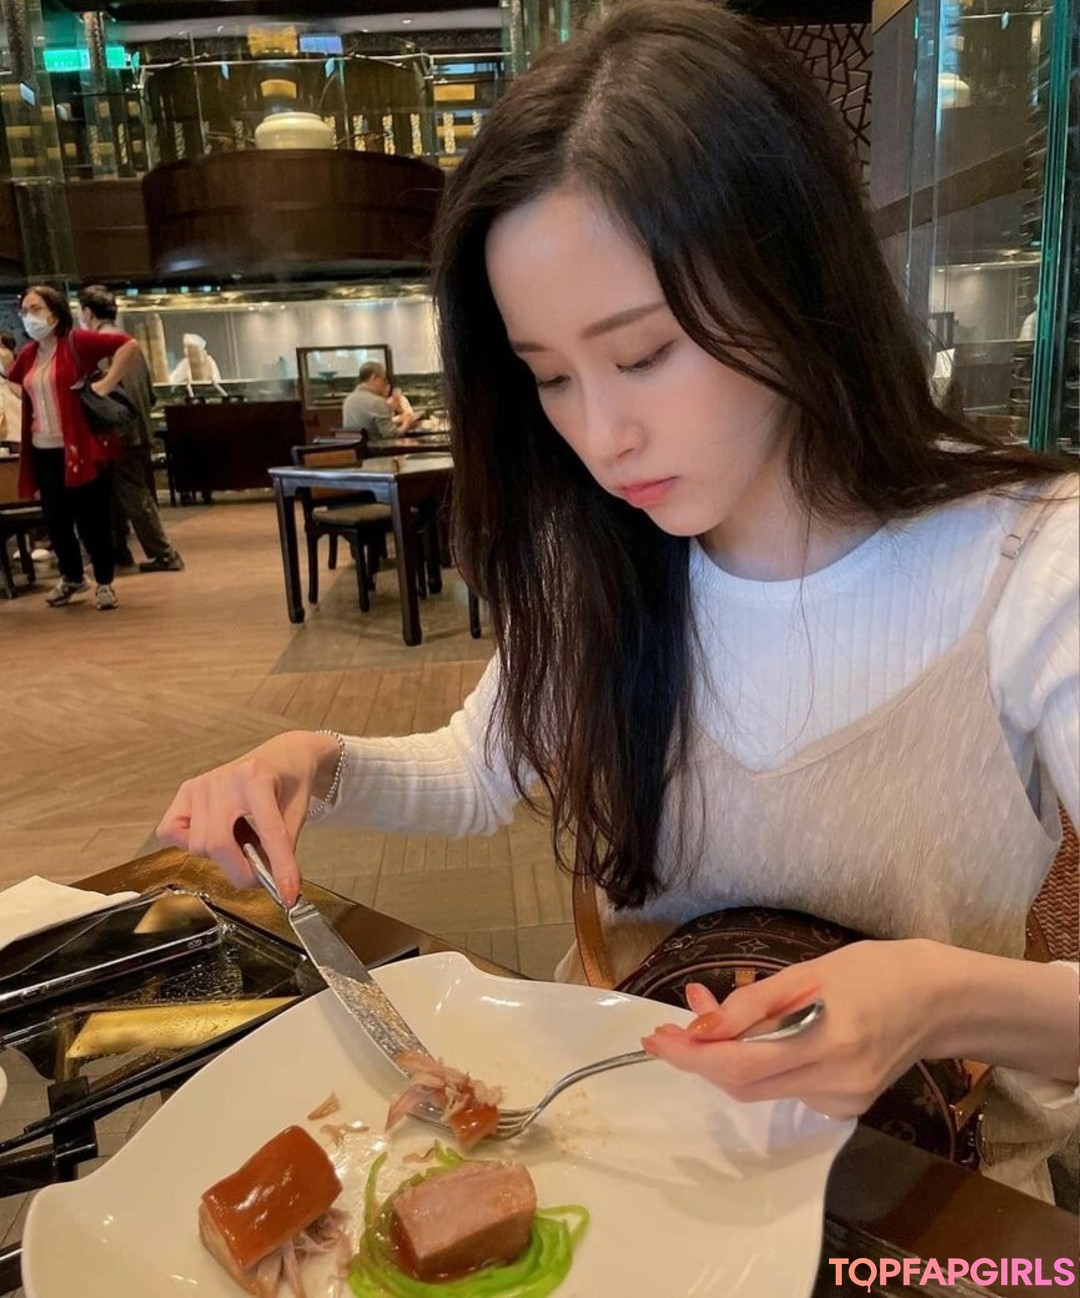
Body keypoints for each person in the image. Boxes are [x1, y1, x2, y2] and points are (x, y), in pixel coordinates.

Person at [158, 1, 1078, 1200]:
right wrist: (312, 762)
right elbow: (481, 766)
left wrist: (943, 996)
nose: (601, 436)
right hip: (634, 1152)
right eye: (549, 376)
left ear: (793, 277)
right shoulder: (599, 548)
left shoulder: (1033, 561)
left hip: (919, 1197)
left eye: (643, 354)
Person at [6, 285, 143, 609]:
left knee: (92, 519)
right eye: (24, 311)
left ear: (55, 312)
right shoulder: (28, 354)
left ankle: (105, 582)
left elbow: (129, 345)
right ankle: (72, 577)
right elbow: (14, 380)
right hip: (44, 449)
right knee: (56, 520)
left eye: (36, 309)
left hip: (81, 448)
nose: (29, 317)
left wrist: (104, 385)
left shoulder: (76, 342)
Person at [77, 286, 184, 574]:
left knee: (134, 494)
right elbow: (149, 393)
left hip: (118, 433)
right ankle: (119, 550)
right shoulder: (129, 343)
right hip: (138, 428)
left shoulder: (101, 346)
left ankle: (165, 554)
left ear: (87, 313)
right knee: (122, 492)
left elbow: (99, 397)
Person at [342, 361, 420, 441]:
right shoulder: (376, 402)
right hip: (375, 446)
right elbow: (391, 435)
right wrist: (407, 424)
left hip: (354, 447)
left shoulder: (348, 400)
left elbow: (370, 425)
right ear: (374, 378)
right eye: (384, 380)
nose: (386, 384)